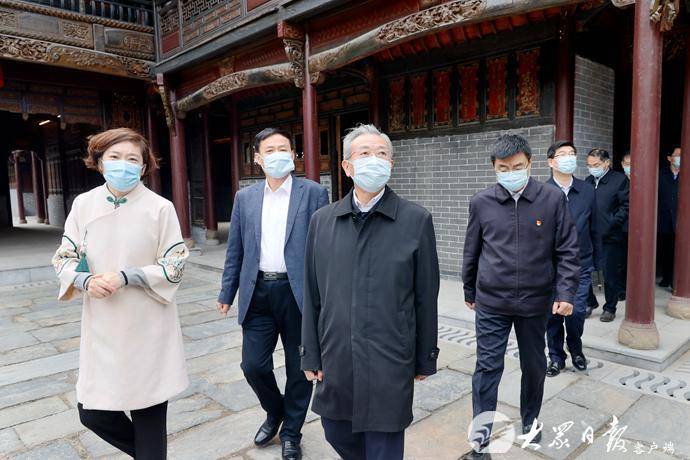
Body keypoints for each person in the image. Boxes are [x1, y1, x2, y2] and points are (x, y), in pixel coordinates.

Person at [301, 124, 440, 460]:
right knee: (335, 429)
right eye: (364, 153)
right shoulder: (322, 221)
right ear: (347, 166)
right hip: (337, 352)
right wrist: (310, 353)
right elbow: (312, 293)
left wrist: (425, 356)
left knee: (384, 443)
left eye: (381, 154)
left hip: (389, 355)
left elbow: (426, 296)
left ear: (390, 164)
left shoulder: (415, 220)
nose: (374, 160)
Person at [52, 128, 189, 459]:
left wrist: (128, 276)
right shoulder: (84, 205)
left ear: (143, 167)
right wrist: (85, 281)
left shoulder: (160, 207)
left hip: (149, 326)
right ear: (100, 162)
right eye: (114, 157)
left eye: (132, 159)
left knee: (148, 412)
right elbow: (63, 257)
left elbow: (175, 264)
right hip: (103, 326)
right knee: (92, 412)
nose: (123, 165)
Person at [462, 134, 579, 459]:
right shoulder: (481, 202)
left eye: (517, 167)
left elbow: (568, 250)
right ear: (494, 168)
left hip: (535, 301)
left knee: (534, 365)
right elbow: (472, 249)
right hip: (492, 301)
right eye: (503, 168)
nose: (510, 173)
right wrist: (469, 288)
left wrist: (565, 291)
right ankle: (481, 441)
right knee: (487, 369)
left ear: (529, 164)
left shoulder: (551, 199)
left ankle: (530, 421)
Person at [217, 127, 329, 460]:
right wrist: (227, 291)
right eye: (270, 150)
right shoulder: (245, 198)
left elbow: (324, 248)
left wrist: (326, 296)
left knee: (299, 369)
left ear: (293, 155)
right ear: (257, 158)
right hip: (258, 292)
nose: (278, 155)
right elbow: (235, 248)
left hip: (298, 294)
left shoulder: (313, 193)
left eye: (284, 149)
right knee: (253, 365)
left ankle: (291, 433)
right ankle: (275, 410)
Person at [544, 141, 599, 377]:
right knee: (553, 315)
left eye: (572, 154)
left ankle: (576, 349)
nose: (569, 157)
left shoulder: (587, 190)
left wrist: (597, 260)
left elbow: (595, 226)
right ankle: (556, 357)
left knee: (576, 313)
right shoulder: (542, 192)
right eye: (563, 154)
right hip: (550, 266)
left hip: (580, 264)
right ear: (551, 162)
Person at [585, 148, 629, 322]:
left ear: (606, 163)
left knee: (610, 274)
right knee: (584, 270)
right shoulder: (588, 181)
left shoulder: (619, 180)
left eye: (596, 165)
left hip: (611, 236)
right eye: (589, 165)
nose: (592, 168)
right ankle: (589, 302)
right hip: (589, 236)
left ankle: (610, 307)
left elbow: (626, 206)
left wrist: (611, 223)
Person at [657, 146, 681, 289]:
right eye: (677, 155)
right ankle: (666, 277)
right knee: (665, 250)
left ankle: (676, 280)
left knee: (680, 251)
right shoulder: (660, 174)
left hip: (681, 221)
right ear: (669, 158)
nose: (680, 158)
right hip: (664, 219)